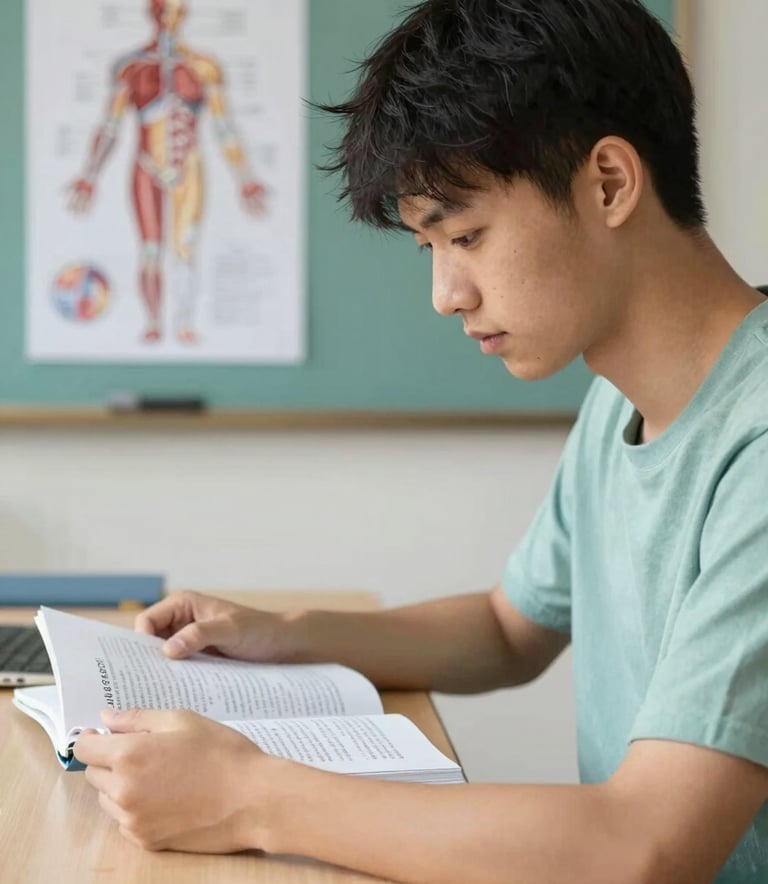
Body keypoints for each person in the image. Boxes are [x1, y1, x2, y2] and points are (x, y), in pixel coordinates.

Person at [74, 0, 768, 881]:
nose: (446, 294)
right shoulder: (617, 401)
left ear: (609, 184)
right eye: (429, 247)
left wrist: (245, 794)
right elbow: (506, 629)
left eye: (467, 236)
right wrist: (288, 633)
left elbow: (643, 845)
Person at [68, 0, 266, 344]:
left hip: (188, 167)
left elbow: (224, 128)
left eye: (175, 12)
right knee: (150, 250)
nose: (169, 19)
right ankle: (153, 323)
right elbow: (111, 126)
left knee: (186, 248)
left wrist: (245, 178)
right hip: (146, 166)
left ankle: (185, 323)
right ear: (152, 14)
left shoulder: (204, 66)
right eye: (163, 11)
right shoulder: (130, 66)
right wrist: (90, 175)